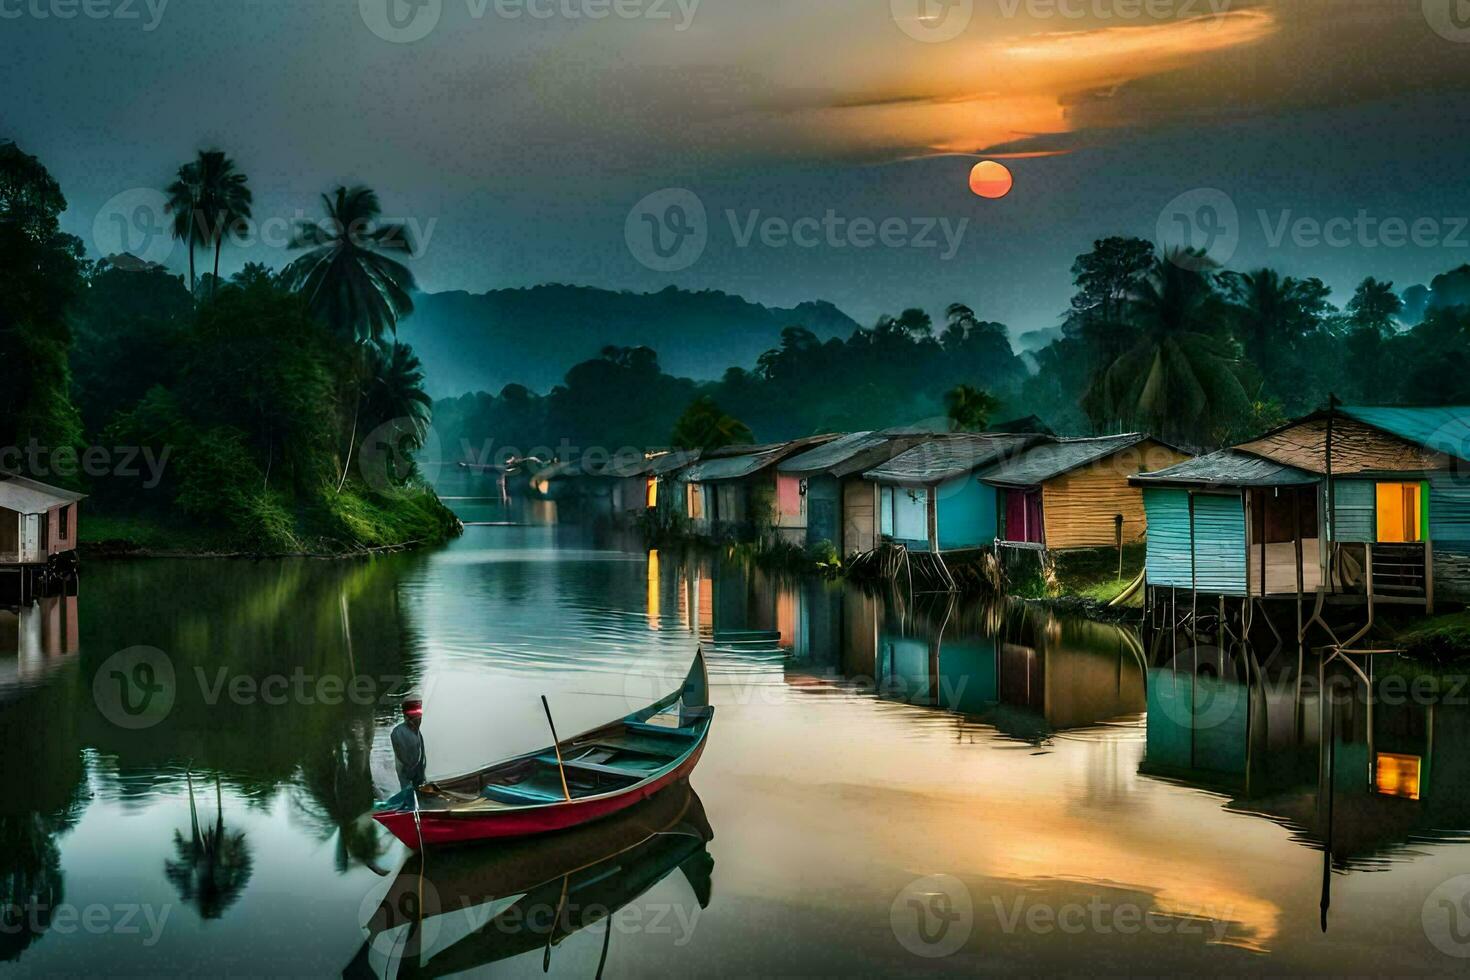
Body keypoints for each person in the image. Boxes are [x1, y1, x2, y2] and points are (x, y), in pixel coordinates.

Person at [391, 699, 427, 793]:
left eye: (420, 716)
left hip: (419, 774)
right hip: (406, 774)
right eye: (415, 717)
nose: (419, 720)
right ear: (406, 717)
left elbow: (421, 754)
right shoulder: (399, 732)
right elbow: (404, 758)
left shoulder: (418, 732)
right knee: (409, 793)